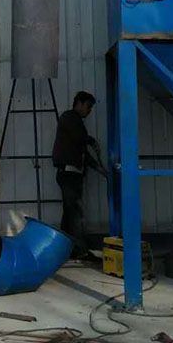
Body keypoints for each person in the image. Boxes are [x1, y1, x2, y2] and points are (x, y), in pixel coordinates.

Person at [51, 91, 106, 261]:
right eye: (88, 106)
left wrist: (98, 168)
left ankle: (63, 248)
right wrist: (91, 140)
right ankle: (81, 250)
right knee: (75, 213)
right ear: (79, 103)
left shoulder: (74, 122)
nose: (89, 111)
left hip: (71, 174)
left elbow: (82, 151)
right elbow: (80, 139)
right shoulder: (69, 118)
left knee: (70, 214)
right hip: (69, 174)